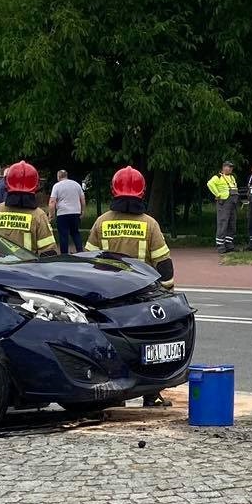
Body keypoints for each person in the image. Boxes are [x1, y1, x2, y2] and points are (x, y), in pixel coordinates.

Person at [86, 166, 175, 406]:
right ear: (142, 193)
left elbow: (87, 261)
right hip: (141, 299)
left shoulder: (101, 222)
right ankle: (150, 393)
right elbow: (164, 265)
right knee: (148, 347)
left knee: (112, 346)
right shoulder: (149, 224)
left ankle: (114, 396)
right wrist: (166, 293)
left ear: (114, 191)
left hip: (107, 299)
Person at [0, 161, 58, 257]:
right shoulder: (39, 216)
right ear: (35, 185)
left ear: (6, 183)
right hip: (27, 269)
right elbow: (49, 252)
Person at [49, 169, 86, 256]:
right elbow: (82, 199)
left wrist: (51, 214)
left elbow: (52, 202)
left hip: (62, 213)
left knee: (63, 234)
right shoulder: (76, 185)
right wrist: (83, 211)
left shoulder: (57, 186)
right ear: (66, 175)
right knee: (75, 233)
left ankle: (64, 254)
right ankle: (80, 252)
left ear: (58, 177)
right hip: (75, 212)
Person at [207, 161, 239, 252]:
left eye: (231, 167)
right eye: (229, 167)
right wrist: (217, 194)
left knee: (232, 223)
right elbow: (209, 184)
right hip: (224, 201)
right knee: (223, 222)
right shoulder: (218, 176)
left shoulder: (232, 177)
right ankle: (220, 245)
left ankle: (229, 244)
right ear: (224, 167)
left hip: (233, 201)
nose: (231, 169)